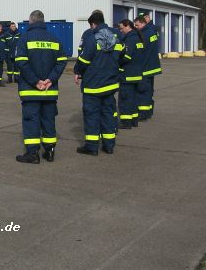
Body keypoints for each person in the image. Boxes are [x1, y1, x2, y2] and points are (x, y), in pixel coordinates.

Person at [14, 10, 67, 163]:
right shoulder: (54, 39)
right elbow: (62, 61)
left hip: (30, 89)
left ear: (31, 21)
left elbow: (22, 63)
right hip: (49, 90)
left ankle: (32, 154)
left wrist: (36, 81)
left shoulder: (24, 39)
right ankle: (49, 152)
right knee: (48, 119)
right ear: (43, 21)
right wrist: (50, 79)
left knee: (31, 120)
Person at [74, 11, 124, 155]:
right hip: (111, 84)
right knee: (108, 114)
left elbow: (83, 61)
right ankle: (109, 145)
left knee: (92, 115)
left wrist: (77, 72)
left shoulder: (92, 39)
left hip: (93, 85)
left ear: (93, 24)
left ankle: (91, 146)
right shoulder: (115, 38)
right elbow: (122, 57)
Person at [117, 19, 144, 129]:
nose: (121, 30)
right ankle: (134, 120)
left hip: (127, 74)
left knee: (125, 99)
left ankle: (126, 122)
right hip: (137, 73)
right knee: (134, 99)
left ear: (128, 26)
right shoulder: (138, 38)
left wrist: (117, 62)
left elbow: (127, 57)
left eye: (122, 28)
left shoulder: (130, 40)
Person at [135, 11, 162, 120]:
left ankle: (144, 113)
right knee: (149, 90)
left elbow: (140, 51)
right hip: (152, 66)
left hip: (145, 67)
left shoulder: (144, 34)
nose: (135, 27)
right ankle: (149, 110)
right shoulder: (152, 31)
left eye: (137, 25)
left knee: (143, 91)